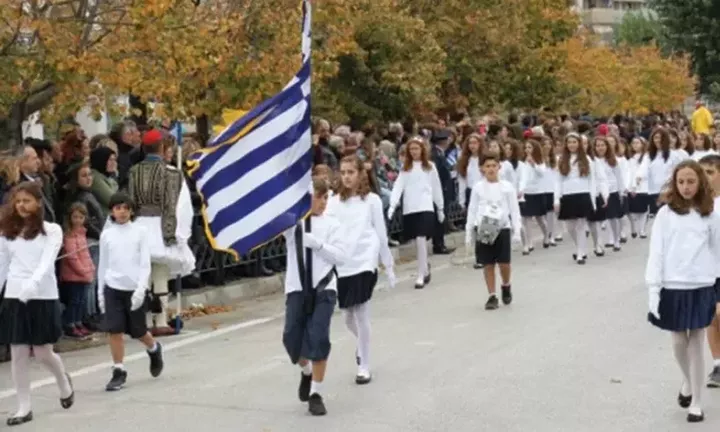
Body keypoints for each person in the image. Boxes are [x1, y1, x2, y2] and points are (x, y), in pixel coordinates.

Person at [646, 160, 720, 423]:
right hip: (672, 284)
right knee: (678, 342)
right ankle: (689, 381)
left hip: (701, 284)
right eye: (681, 182)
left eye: (691, 181)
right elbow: (656, 252)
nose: (686, 186)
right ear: (675, 184)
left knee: (697, 340)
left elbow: (718, 250)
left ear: (700, 182)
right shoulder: (666, 214)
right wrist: (653, 288)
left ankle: (697, 402)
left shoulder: (710, 213)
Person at [0, 182, 74, 426]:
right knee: (18, 351)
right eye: (18, 201)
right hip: (14, 296)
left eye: (26, 201)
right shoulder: (7, 231)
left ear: (38, 203)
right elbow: (2, 266)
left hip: (42, 295)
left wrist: (32, 284)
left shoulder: (51, 230)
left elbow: (46, 262)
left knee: (43, 352)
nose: (21, 205)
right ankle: (24, 406)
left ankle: (63, 381)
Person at [326, 155, 395, 385]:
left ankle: (364, 365)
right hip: (344, 263)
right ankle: (361, 343)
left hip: (365, 260)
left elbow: (380, 232)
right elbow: (326, 231)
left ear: (360, 174)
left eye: (351, 172)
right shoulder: (333, 202)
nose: (346, 177)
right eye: (343, 172)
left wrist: (388, 264)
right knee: (347, 317)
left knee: (362, 311)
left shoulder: (372, 200)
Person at [282, 178, 348, 416]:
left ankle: (316, 393)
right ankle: (306, 371)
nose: (322, 202)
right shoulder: (293, 224)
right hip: (297, 287)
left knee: (318, 338)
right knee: (292, 339)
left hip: (323, 288)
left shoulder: (332, 224)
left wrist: (317, 245)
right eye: (318, 197)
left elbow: (341, 256)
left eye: (326, 197)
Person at [128, 129, 195, 336]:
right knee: (160, 273)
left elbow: (131, 201)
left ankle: (144, 321)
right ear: (161, 148)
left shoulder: (133, 171)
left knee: (143, 275)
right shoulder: (172, 173)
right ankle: (161, 320)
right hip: (159, 226)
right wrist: (173, 233)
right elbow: (173, 206)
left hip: (139, 225)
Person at [98, 192, 165, 391]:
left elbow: (145, 264)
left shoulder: (140, 232)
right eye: (118, 208)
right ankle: (118, 370)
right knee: (115, 329)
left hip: (134, 287)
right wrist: (100, 293)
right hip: (113, 287)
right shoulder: (107, 235)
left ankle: (154, 349)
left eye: (126, 208)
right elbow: (103, 265)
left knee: (138, 331)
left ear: (131, 210)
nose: (122, 212)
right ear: (112, 211)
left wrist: (141, 289)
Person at [465, 153, 522, 310]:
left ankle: (506, 284)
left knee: (504, 263)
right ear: (482, 169)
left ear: (499, 167)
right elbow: (472, 210)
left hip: (502, 227)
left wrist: (517, 230)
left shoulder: (507, 187)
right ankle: (492, 295)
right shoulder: (478, 188)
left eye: (493, 166)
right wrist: (469, 231)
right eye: (487, 166)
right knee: (488, 263)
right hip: (484, 227)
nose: (490, 169)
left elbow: (514, 210)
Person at [387, 137, 444, 288]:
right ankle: (425, 268)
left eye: (416, 149)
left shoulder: (430, 167)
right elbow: (398, 186)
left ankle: (420, 274)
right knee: (417, 241)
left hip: (425, 206)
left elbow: (436, 187)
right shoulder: (406, 169)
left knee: (421, 238)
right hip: (410, 207)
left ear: (422, 150)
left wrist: (440, 207)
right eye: (411, 149)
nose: (414, 152)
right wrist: (392, 205)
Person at [698, 154, 720, 388]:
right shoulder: (697, 205)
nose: (705, 177)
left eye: (710, 172)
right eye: (702, 172)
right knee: (712, 318)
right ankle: (718, 364)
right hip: (706, 271)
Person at [59, 202, 95, 338]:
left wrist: (91, 267)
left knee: (81, 300)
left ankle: (78, 321)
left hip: (83, 274)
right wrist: (84, 271)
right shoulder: (69, 235)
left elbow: (85, 253)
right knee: (74, 301)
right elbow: (72, 257)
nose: (78, 220)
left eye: (81, 217)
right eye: (75, 217)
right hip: (73, 275)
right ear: (70, 218)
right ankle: (69, 323)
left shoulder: (82, 234)